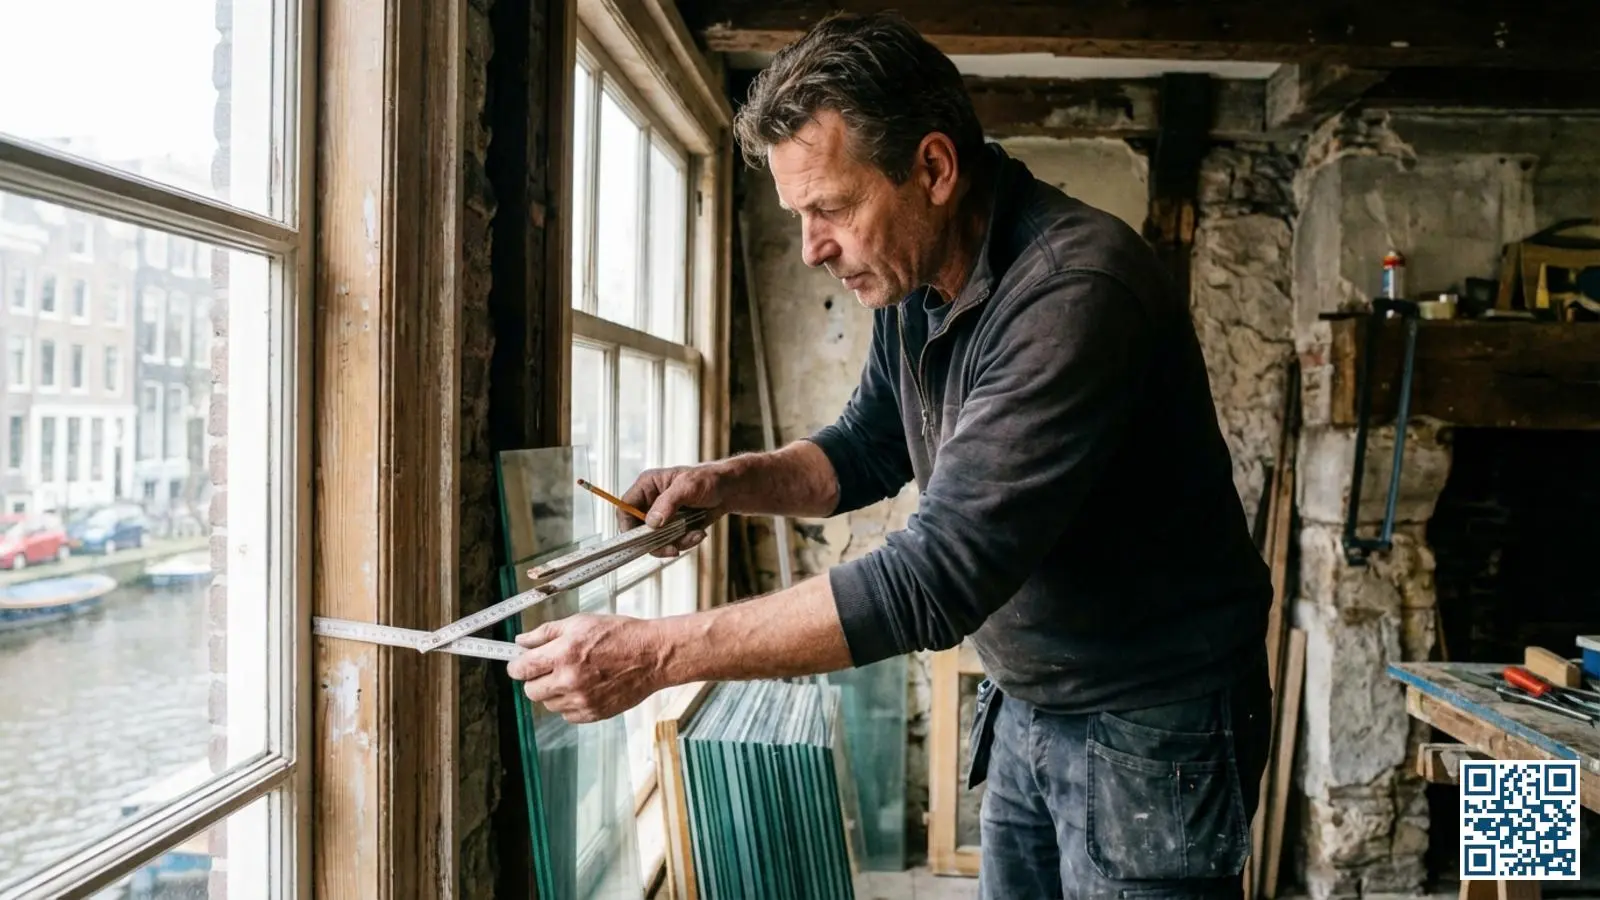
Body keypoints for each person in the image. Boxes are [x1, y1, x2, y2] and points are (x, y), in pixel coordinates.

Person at [507, 12, 1274, 898]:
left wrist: (657, 654)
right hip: (1033, 696)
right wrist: (727, 484)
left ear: (934, 169)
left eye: (830, 208)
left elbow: (936, 579)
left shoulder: (1074, 291)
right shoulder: (918, 278)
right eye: (800, 216)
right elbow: (866, 448)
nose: (812, 249)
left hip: (1154, 716)